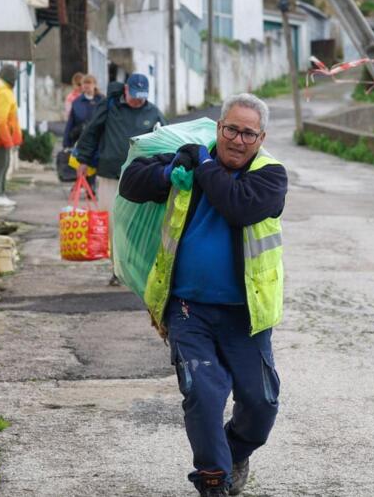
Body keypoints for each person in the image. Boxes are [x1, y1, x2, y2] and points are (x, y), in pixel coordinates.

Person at [118, 93, 287, 497]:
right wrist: (169, 172)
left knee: (261, 404)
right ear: (218, 128)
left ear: (260, 138)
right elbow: (130, 182)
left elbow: (237, 207)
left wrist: (202, 163)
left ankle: (233, 452)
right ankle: (213, 480)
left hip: (246, 315)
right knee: (204, 391)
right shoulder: (192, 160)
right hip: (189, 310)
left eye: (248, 133)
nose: (238, 139)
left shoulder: (270, 175)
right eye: (231, 129)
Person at [73, 73, 166, 213]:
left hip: (139, 176)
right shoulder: (110, 105)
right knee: (110, 218)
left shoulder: (153, 112)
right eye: (135, 96)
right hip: (110, 174)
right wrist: (83, 160)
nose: (138, 101)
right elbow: (92, 131)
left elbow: (166, 139)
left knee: (134, 224)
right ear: (126, 89)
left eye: (142, 97)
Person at [0, 64, 22, 207]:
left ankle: (0, 193)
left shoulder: (4, 89)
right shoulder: (3, 91)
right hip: (0, 140)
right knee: (0, 165)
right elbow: (0, 120)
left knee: (3, 165)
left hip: (3, 139)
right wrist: (8, 140)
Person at [63, 74, 102, 150]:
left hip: (98, 141)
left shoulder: (102, 101)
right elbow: (70, 122)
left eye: (89, 83)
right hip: (80, 139)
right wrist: (66, 142)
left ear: (94, 85)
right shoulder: (77, 102)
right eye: (84, 83)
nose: (86, 85)